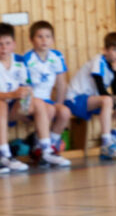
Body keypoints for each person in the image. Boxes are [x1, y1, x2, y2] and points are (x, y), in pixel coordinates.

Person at [64, 32, 116, 161]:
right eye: (114, 49)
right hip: (74, 99)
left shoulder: (113, 66)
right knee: (107, 100)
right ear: (105, 50)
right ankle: (106, 144)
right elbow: (102, 91)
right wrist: (115, 107)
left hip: (92, 100)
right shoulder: (99, 61)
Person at [21, 21, 72, 167]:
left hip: (48, 100)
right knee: (47, 109)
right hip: (33, 100)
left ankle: (52, 144)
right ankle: (44, 149)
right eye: (40, 37)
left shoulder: (56, 56)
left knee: (65, 112)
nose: (44, 40)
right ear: (32, 40)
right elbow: (25, 85)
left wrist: (59, 103)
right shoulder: (27, 58)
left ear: (53, 40)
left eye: (48, 37)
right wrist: (27, 106)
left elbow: (61, 83)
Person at [0, 23, 31, 174]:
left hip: (12, 107)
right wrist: (12, 95)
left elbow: (27, 86)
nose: (3, 48)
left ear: (14, 44)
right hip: (4, 105)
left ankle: (46, 150)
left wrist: (25, 108)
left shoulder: (19, 60)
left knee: (42, 106)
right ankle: (4, 154)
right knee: (1, 105)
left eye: (7, 43)